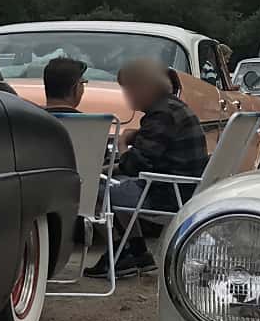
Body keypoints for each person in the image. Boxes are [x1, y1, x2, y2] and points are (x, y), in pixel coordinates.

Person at [87, 57, 207, 278]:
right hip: (185, 188)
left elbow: (136, 165)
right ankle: (138, 254)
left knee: (94, 192)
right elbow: (153, 157)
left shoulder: (161, 116)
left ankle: (120, 255)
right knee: (115, 186)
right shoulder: (174, 108)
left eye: (128, 90)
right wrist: (110, 168)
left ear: (144, 89)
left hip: (166, 194)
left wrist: (123, 144)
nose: (127, 97)